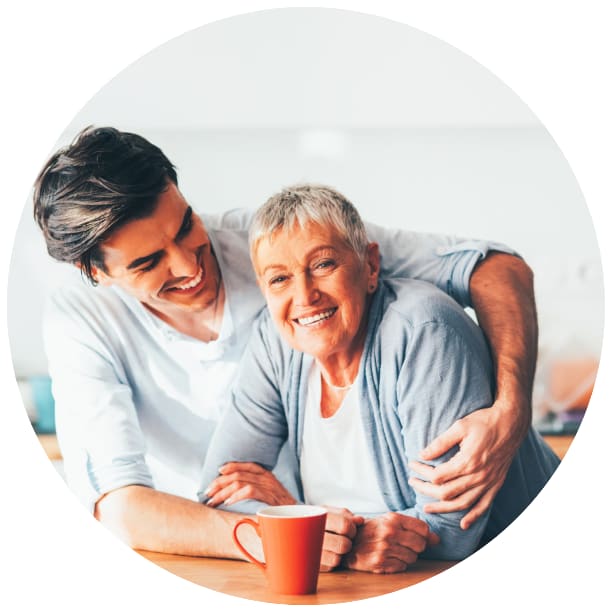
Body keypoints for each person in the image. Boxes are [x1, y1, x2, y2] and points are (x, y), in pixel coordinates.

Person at [33, 125, 538, 565]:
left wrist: (513, 408)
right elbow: (121, 507)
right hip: (210, 538)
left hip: (340, 538)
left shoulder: (283, 239)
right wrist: (284, 529)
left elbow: (495, 267)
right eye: (148, 263)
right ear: (95, 272)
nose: (189, 266)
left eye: (186, 226)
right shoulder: (82, 322)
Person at [200, 184, 560, 571]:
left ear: (370, 265)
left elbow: (453, 529)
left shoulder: (424, 330)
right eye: (279, 279)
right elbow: (217, 490)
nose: (304, 296)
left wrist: (295, 518)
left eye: (323, 265)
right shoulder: (274, 342)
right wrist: (308, 522)